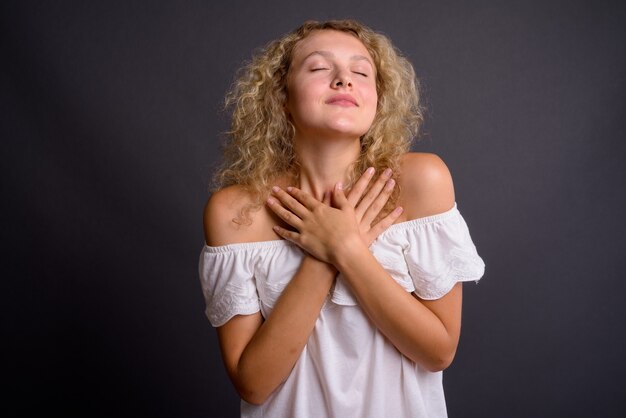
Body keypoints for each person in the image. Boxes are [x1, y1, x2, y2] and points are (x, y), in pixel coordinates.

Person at [199, 19, 485, 417]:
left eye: (361, 72)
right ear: (281, 95)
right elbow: (254, 384)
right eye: (319, 68)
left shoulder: (422, 182)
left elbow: (438, 351)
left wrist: (346, 248)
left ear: (378, 98)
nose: (343, 81)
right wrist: (324, 255)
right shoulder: (235, 211)